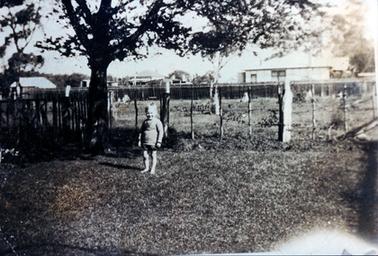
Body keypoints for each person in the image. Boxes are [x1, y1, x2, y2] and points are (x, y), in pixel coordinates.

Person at [138, 103, 164, 174]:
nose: (150, 115)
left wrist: (159, 141)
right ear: (146, 113)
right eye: (148, 113)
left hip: (153, 142)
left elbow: (161, 131)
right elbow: (141, 131)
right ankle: (146, 168)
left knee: (153, 155)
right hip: (145, 142)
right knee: (145, 155)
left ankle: (152, 169)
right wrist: (139, 140)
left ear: (155, 113)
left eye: (151, 113)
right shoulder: (145, 122)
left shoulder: (157, 121)